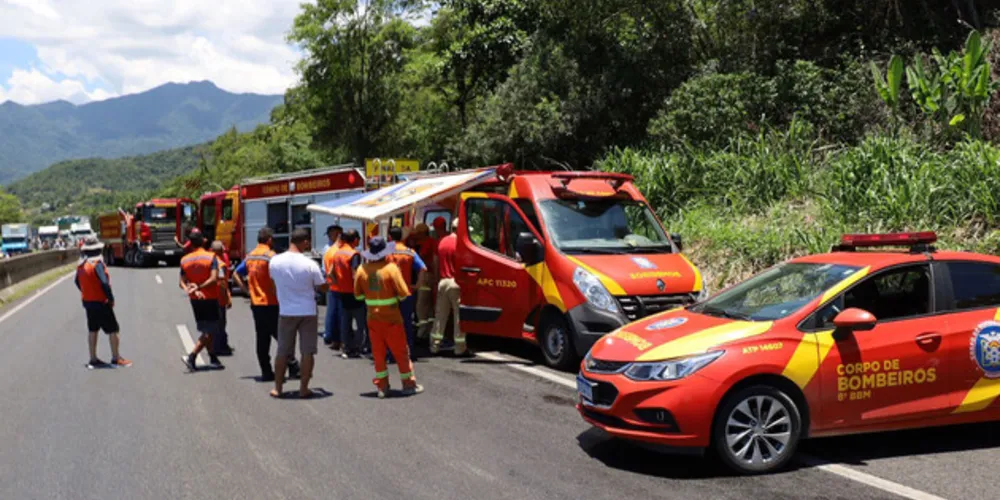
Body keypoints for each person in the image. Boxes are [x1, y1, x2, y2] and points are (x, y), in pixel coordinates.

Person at [355, 236, 424, 399]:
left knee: (378, 353)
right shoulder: (392, 269)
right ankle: (408, 384)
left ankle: (382, 387)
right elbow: (403, 294)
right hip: (392, 317)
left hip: (372, 318)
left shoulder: (361, 270)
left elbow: (358, 296)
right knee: (401, 352)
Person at [234, 227, 300, 382]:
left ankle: (266, 371)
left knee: (262, 338)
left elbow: (236, 274)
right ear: (269, 240)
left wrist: (246, 290)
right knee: (282, 336)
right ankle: (292, 366)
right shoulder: (272, 257)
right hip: (273, 303)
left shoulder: (250, 256)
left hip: (257, 304)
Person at [268, 228, 326, 398]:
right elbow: (321, 286)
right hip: (307, 311)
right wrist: (331, 282)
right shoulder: (310, 264)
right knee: (307, 351)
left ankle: (278, 388)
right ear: (305, 242)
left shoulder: (275, 261)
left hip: (286, 311)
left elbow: (273, 285)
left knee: (282, 351)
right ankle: (303, 389)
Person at [75, 235, 131, 368]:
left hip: (88, 302)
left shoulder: (81, 265)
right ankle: (116, 357)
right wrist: (110, 298)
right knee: (113, 329)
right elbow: (104, 283)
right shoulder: (97, 264)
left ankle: (93, 358)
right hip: (101, 301)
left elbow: (77, 281)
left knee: (93, 329)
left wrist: (86, 291)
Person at [180, 230, 224, 371]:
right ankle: (192, 356)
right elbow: (213, 279)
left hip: (195, 299)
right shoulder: (211, 257)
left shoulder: (184, 260)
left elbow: (181, 282)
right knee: (210, 331)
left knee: (206, 328)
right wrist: (199, 286)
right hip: (210, 298)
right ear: (204, 241)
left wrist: (189, 289)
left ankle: (212, 357)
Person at [387, 226, 426, 360]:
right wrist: (418, 285)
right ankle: (407, 351)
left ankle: (391, 353)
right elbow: (422, 268)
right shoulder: (410, 252)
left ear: (390, 237)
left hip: (389, 294)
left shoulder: (384, 252)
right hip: (406, 292)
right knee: (406, 323)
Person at [431, 219, 465, 355]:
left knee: (440, 316)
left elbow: (436, 262)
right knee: (458, 317)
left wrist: (436, 280)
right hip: (456, 283)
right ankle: (459, 348)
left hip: (443, 281)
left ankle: (434, 345)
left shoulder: (442, 241)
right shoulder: (461, 243)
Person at [332, 230, 366, 359]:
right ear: (355, 240)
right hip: (354, 292)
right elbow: (355, 274)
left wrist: (339, 284)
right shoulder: (354, 254)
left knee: (345, 321)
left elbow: (331, 273)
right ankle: (357, 347)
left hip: (342, 292)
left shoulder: (337, 253)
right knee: (360, 322)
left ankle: (346, 347)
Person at [409, 223, 436, 341]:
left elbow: (421, 258)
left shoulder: (427, 243)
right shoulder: (431, 241)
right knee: (429, 307)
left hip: (426, 277)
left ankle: (422, 333)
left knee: (421, 306)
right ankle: (429, 330)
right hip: (430, 276)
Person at [211, 240, 235, 356]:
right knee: (220, 323)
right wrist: (227, 297)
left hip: (210, 297)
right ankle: (218, 347)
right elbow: (222, 283)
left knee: (216, 322)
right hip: (218, 298)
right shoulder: (219, 264)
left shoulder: (210, 260)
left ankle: (219, 345)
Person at [322, 225, 344, 348]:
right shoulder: (330, 249)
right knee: (334, 311)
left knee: (332, 310)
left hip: (332, 282)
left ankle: (331, 334)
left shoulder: (331, 248)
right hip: (334, 283)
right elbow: (327, 269)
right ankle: (331, 334)